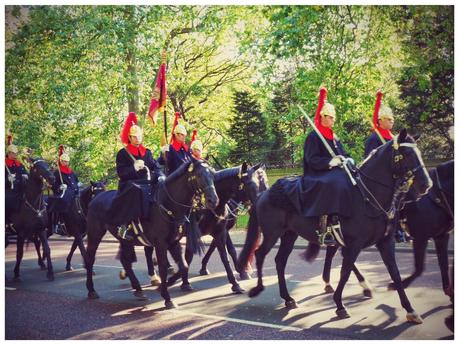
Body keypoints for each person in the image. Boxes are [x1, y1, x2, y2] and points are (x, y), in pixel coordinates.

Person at [301, 87, 354, 245]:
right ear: (323, 117)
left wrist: (348, 159)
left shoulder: (334, 136)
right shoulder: (314, 136)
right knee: (335, 181)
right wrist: (330, 162)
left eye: (333, 117)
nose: (333, 120)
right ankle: (327, 225)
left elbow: (342, 153)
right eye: (330, 117)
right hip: (316, 173)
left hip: (333, 171)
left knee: (351, 178)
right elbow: (311, 159)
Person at [112, 112, 165, 240]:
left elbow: (155, 166)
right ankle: (125, 226)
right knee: (136, 191)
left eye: (139, 137)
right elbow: (121, 173)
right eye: (134, 137)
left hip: (146, 182)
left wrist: (161, 175)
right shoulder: (123, 153)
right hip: (129, 184)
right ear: (129, 137)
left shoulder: (146, 152)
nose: (137, 139)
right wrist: (133, 168)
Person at [50, 146, 80, 235]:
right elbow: (53, 185)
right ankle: (58, 224)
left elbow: (76, 181)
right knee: (62, 201)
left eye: (67, 161)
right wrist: (60, 187)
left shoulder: (71, 171)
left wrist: (78, 184)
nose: (65, 163)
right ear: (61, 161)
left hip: (74, 191)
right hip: (63, 192)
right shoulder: (57, 172)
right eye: (63, 161)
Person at [5, 136, 28, 231]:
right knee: (8, 199)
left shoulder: (19, 164)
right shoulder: (4, 164)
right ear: (9, 153)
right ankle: (8, 222)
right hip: (8, 190)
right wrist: (7, 179)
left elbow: (25, 173)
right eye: (13, 153)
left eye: (16, 153)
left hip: (21, 189)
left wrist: (26, 176)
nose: (15, 155)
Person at [364, 90, 395, 158]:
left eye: (392, 120)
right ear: (380, 121)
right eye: (389, 119)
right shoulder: (374, 138)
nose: (392, 121)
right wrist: (379, 97)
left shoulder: (394, 138)